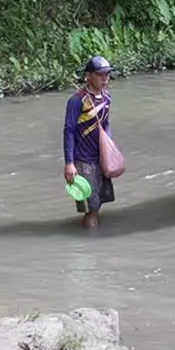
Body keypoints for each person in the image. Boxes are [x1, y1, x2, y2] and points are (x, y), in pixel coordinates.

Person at [63, 55, 117, 227]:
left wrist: (108, 146)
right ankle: (92, 245)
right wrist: (69, 163)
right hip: (83, 161)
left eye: (107, 75)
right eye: (100, 75)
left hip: (100, 158)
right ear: (88, 76)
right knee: (90, 210)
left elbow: (106, 123)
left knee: (98, 203)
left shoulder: (107, 98)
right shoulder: (76, 101)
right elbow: (69, 131)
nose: (105, 79)